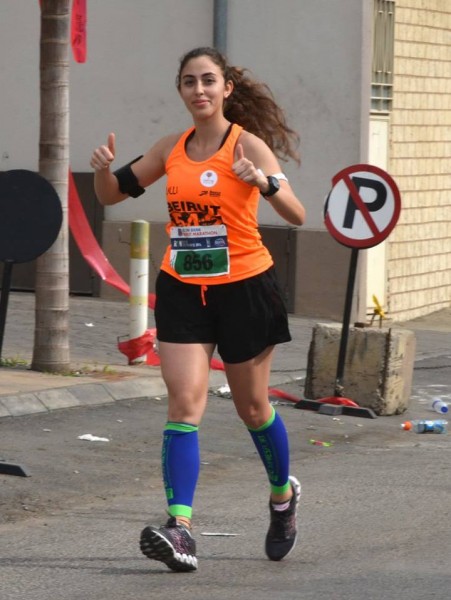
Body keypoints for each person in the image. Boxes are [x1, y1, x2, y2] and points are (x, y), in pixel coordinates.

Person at [90, 46, 306, 573]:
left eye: (208, 80)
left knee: (253, 408)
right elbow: (113, 194)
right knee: (184, 405)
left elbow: (297, 213)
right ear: (181, 90)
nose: (199, 90)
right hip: (184, 288)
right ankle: (180, 528)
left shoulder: (247, 145)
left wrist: (264, 183)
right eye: (189, 81)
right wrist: (101, 170)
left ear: (226, 88)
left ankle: (282, 498)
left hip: (245, 288)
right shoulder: (172, 147)